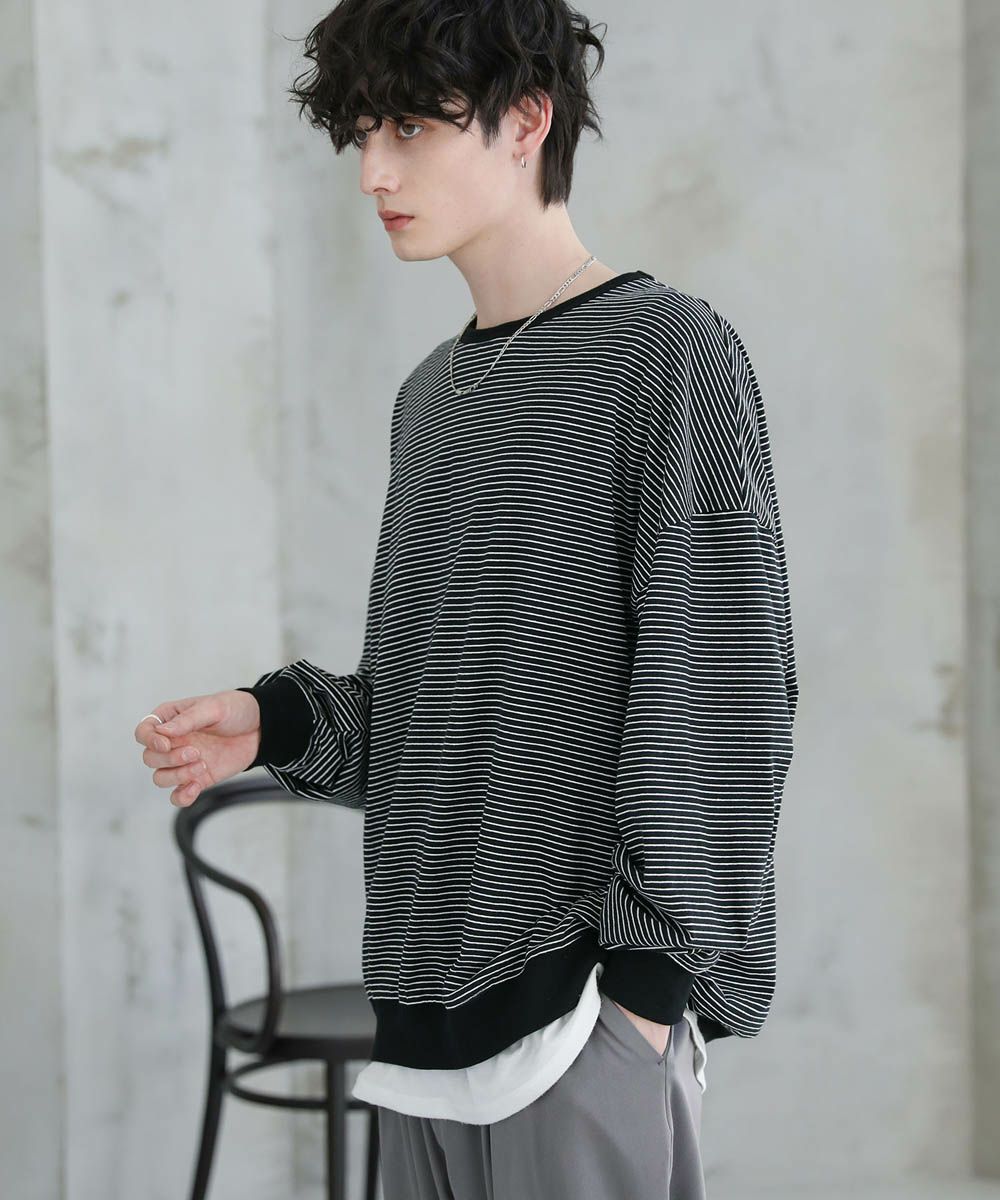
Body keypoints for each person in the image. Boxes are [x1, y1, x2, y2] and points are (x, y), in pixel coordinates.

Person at [134, 2, 799, 1196]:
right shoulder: (430, 396)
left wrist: (643, 998)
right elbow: (440, 708)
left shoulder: (667, 354)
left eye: (407, 127)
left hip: (575, 1023)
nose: (372, 173)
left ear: (525, 119)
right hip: (420, 1025)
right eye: (360, 133)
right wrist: (270, 721)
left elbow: (719, 693)